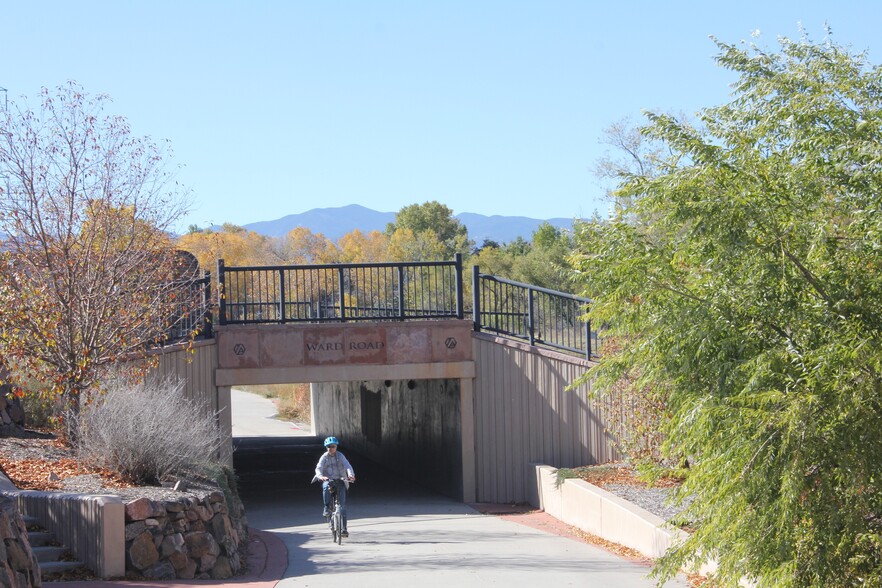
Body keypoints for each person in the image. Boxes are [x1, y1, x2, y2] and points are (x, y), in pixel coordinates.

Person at [314, 436, 356, 536]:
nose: (331, 448)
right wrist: (320, 476)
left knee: (342, 506)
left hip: (340, 480)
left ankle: (344, 530)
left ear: (336, 447)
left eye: (333, 446)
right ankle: (327, 508)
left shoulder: (340, 455)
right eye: (329, 446)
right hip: (328, 479)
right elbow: (318, 468)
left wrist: (350, 475)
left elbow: (347, 465)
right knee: (326, 487)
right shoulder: (324, 457)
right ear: (326, 447)